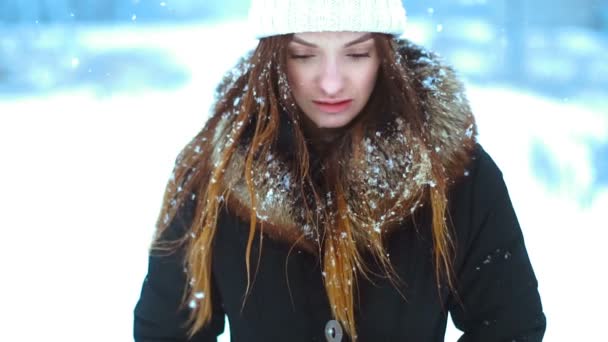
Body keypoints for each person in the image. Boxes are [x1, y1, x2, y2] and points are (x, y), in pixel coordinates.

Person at [133, 0, 546, 341]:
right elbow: (167, 331)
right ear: (274, 55)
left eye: (356, 53)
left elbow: (510, 325)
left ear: (385, 55)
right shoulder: (213, 173)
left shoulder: (456, 173)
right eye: (304, 54)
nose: (331, 82)